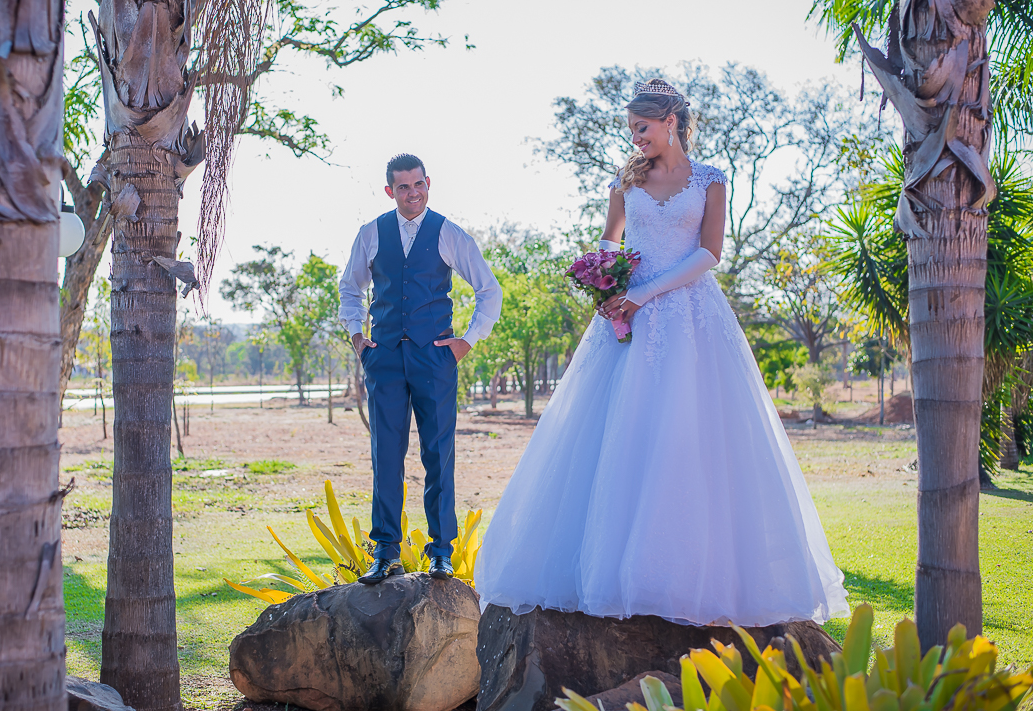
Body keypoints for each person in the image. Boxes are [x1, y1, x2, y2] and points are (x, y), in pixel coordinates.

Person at [473, 80, 849, 626]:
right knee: (617, 435)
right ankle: (606, 573)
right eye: (632, 131)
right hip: (626, 317)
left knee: (690, 435)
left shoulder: (711, 181)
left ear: (670, 120)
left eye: (642, 129)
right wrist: (603, 279)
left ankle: (693, 577)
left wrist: (642, 294)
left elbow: (710, 252)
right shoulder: (626, 181)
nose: (636, 140)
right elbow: (611, 239)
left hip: (690, 315)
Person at [339, 153, 503, 584]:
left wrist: (466, 342)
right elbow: (350, 288)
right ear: (390, 190)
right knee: (386, 456)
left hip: (435, 358)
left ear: (428, 183)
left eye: (419, 185)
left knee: (438, 454)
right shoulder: (371, 233)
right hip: (386, 358)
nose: (413, 194)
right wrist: (359, 339)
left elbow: (489, 290)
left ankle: (441, 553)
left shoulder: (449, 233)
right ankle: (386, 552)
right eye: (404, 187)